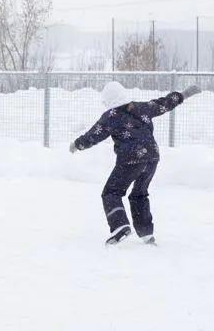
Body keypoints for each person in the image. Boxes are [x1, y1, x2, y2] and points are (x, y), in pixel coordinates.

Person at [69, 81, 199, 244]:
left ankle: (120, 226)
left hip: (131, 159)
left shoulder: (111, 116)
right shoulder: (141, 107)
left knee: (111, 193)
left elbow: (94, 135)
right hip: (152, 157)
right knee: (139, 194)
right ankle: (146, 234)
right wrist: (183, 95)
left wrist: (77, 144)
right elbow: (163, 104)